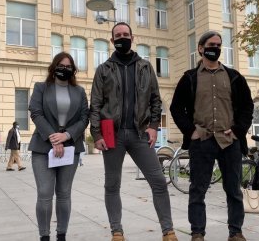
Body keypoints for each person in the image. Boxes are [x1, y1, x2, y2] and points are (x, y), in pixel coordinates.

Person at [90, 22, 178, 241]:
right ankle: (117, 232)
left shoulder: (146, 67)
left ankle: (168, 231)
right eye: (118, 35)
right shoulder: (103, 69)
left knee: (158, 181)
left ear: (132, 37)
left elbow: (155, 100)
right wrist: (97, 135)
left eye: (125, 34)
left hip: (140, 134)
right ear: (112, 41)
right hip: (113, 135)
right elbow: (96, 104)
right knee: (112, 184)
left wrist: (153, 127)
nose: (122, 37)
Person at [170, 31, 254, 241]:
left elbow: (247, 107)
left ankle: (236, 232)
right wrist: (191, 131)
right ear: (200, 48)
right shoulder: (189, 78)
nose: (215, 48)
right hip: (202, 142)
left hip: (229, 142)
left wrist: (237, 131)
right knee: (197, 190)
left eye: (218, 45)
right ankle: (197, 233)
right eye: (210, 44)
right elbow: (176, 108)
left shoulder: (234, 77)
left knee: (233, 189)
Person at [29, 52, 89, 241]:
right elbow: (36, 113)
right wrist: (54, 138)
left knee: (64, 194)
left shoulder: (79, 91)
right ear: (54, 67)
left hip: (71, 147)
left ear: (73, 70)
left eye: (68, 66)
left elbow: (84, 117)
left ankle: (61, 235)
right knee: (45, 194)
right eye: (61, 65)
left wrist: (67, 135)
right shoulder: (41, 88)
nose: (64, 69)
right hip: (42, 147)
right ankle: (44, 236)